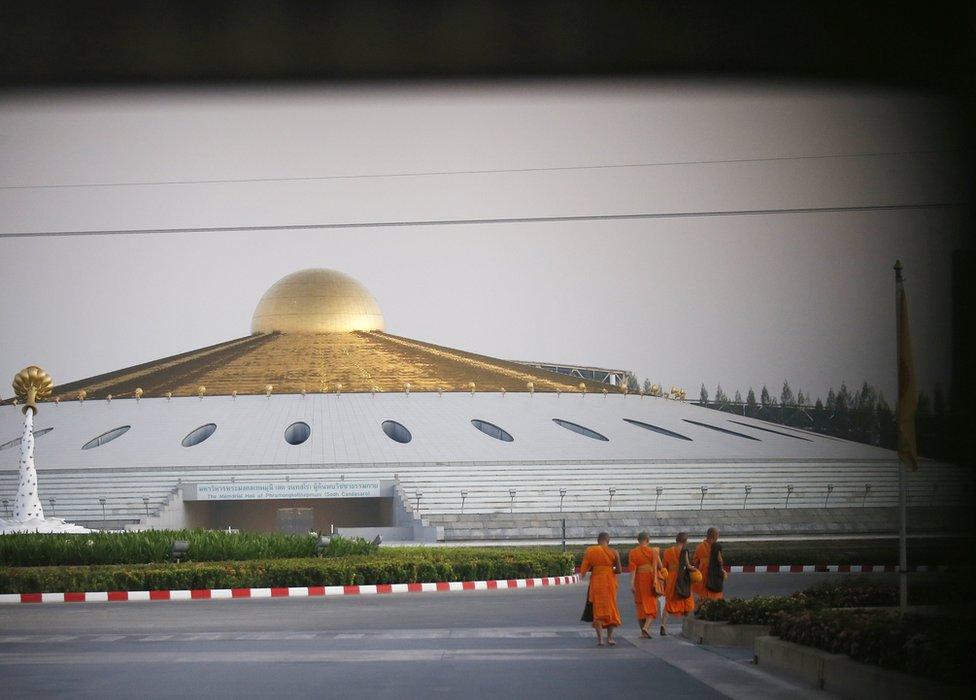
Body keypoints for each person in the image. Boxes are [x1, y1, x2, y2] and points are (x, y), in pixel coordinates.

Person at [580, 531, 622, 646]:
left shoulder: (591, 551)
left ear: (597, 541)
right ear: (608, 541)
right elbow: (619, 570)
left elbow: (584, 567)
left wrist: (585, 573)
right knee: (611, 608)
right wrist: (609, 570)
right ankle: (609, 638)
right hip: (610, 583)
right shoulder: (614, 552)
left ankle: (600, 640)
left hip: (597, 582)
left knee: (598, 610)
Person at [659, 531, 696, 635]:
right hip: (682, 579)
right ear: (685, 541)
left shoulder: (668, 551)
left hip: (671, 580)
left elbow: (663, 566)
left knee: (669, 604)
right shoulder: (684, 551)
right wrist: (695, 570)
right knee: (687, 602)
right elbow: (688, 566)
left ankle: (663, 625)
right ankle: (687, 626)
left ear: (676, 540)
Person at [628, 531, 663, 638]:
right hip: (651, 580)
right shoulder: (654, 551)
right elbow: (660, 567)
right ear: (648, 541)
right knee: (652, 605)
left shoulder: (633, 552)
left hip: (639, 580)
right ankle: (646, 628)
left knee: (640, 605)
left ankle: (643, 632)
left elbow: (633, 569)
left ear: (638, 541)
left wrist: (632, 583)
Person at [692, 527, 725, 609]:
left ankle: (701, 608)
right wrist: (721, 570)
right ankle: (712, 609)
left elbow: (695, 561)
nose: (718, 536)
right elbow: (720, 560)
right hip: (713, 573)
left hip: (702, 574)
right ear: (714, 535)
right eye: (717, 534)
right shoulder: (716, 546)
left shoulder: (700, 547)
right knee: (714, 594)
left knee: (703, 594)